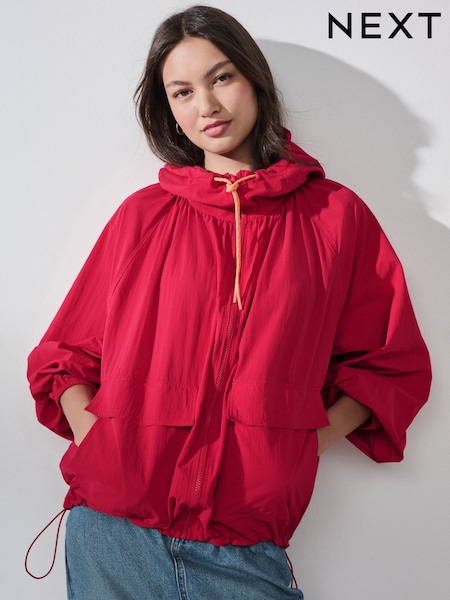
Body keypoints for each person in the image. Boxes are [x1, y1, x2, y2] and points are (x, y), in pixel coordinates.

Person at [27, 5, 431, 599]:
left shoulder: (334, 217)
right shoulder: (144, 216)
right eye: (183, 92)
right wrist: (105, 441)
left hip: (245, 544)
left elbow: (389, 363)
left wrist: (295, 449)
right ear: (168, 109)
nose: (207, 106)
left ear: (254, 79)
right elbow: (64, 358)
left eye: (222, 78)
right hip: (114, 532)